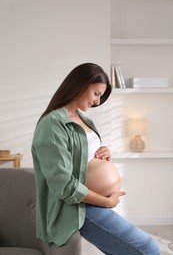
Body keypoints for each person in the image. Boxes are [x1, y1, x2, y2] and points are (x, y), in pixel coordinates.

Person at [31, 63, 160, 254]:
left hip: (94, 204)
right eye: (97, 94)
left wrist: (104, 153)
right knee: (148, 249)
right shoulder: (52, 125)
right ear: (81, 85)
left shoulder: (82, 119)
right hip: (79, 209)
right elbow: (63, 184)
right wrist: (106, 201)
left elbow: (84, 157)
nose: (98, 102)